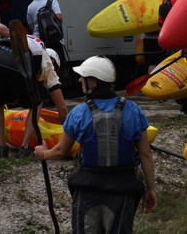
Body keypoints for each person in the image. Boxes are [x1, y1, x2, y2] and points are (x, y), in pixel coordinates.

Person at [34, 56, 157, 233]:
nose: (79, 80)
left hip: (88, 189)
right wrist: (151, 188)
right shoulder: (133, 110)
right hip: (123, 188)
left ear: (94, 82)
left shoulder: (79, 112)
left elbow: (60, 151)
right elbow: (145, 154)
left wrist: (43, 153)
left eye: (83, 77)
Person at [0, 35, 68, 157]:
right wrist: (66, 129)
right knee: (37, 103)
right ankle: (24, 148)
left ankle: (1, 147)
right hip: (15, 61)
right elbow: (62, 107)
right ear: (53, 61)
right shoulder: (47, 62)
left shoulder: (34, 45)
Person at [26, 0, 66, 67]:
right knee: (57, 66)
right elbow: (59, 18)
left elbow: (31, 27)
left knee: (43, 67)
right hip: (54, 40)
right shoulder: (52, 1)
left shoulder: (30, 7)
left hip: (39, 42)